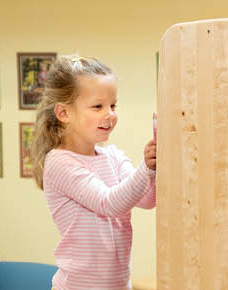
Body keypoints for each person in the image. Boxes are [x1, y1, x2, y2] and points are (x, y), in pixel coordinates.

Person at [30, 54, 157, 290]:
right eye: (98, 106)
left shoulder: (113, 156)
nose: (110, 114)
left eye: (113, 105)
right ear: (64, 113)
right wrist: (146, 167)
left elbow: (148, 199)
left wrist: (155, 168)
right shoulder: (60, 163)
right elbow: (108, 203)